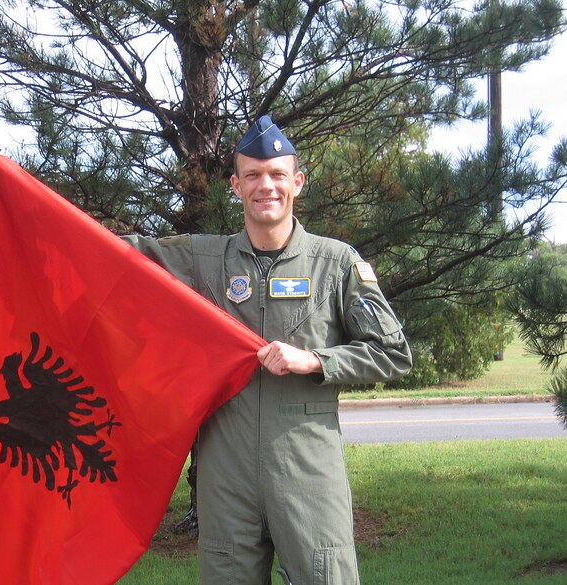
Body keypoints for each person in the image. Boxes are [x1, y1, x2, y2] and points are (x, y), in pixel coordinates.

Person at [124, 115, 412, 585]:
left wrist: (315, 360)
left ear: (297, 182)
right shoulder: (204, 259)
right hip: (226, 473)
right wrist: (24, 214)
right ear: (235, 186)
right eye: (253, 175)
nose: (266, 186)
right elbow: (116, 255)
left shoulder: (336, 263)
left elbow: (392, 352)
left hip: (306, 469)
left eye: (278, 174)